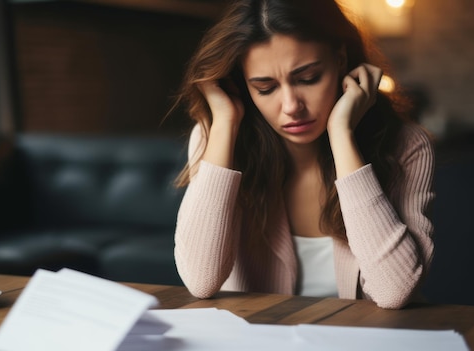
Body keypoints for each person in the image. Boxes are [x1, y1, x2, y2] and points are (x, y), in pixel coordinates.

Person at [171, 0, 435, 309]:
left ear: (340, 59)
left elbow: (395, 291)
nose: (291, 106)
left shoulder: (405, 144)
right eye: (265, 88)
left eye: (307, 78)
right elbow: (201, 280)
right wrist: (224, 124)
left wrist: (342, 134)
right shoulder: (216, 138)